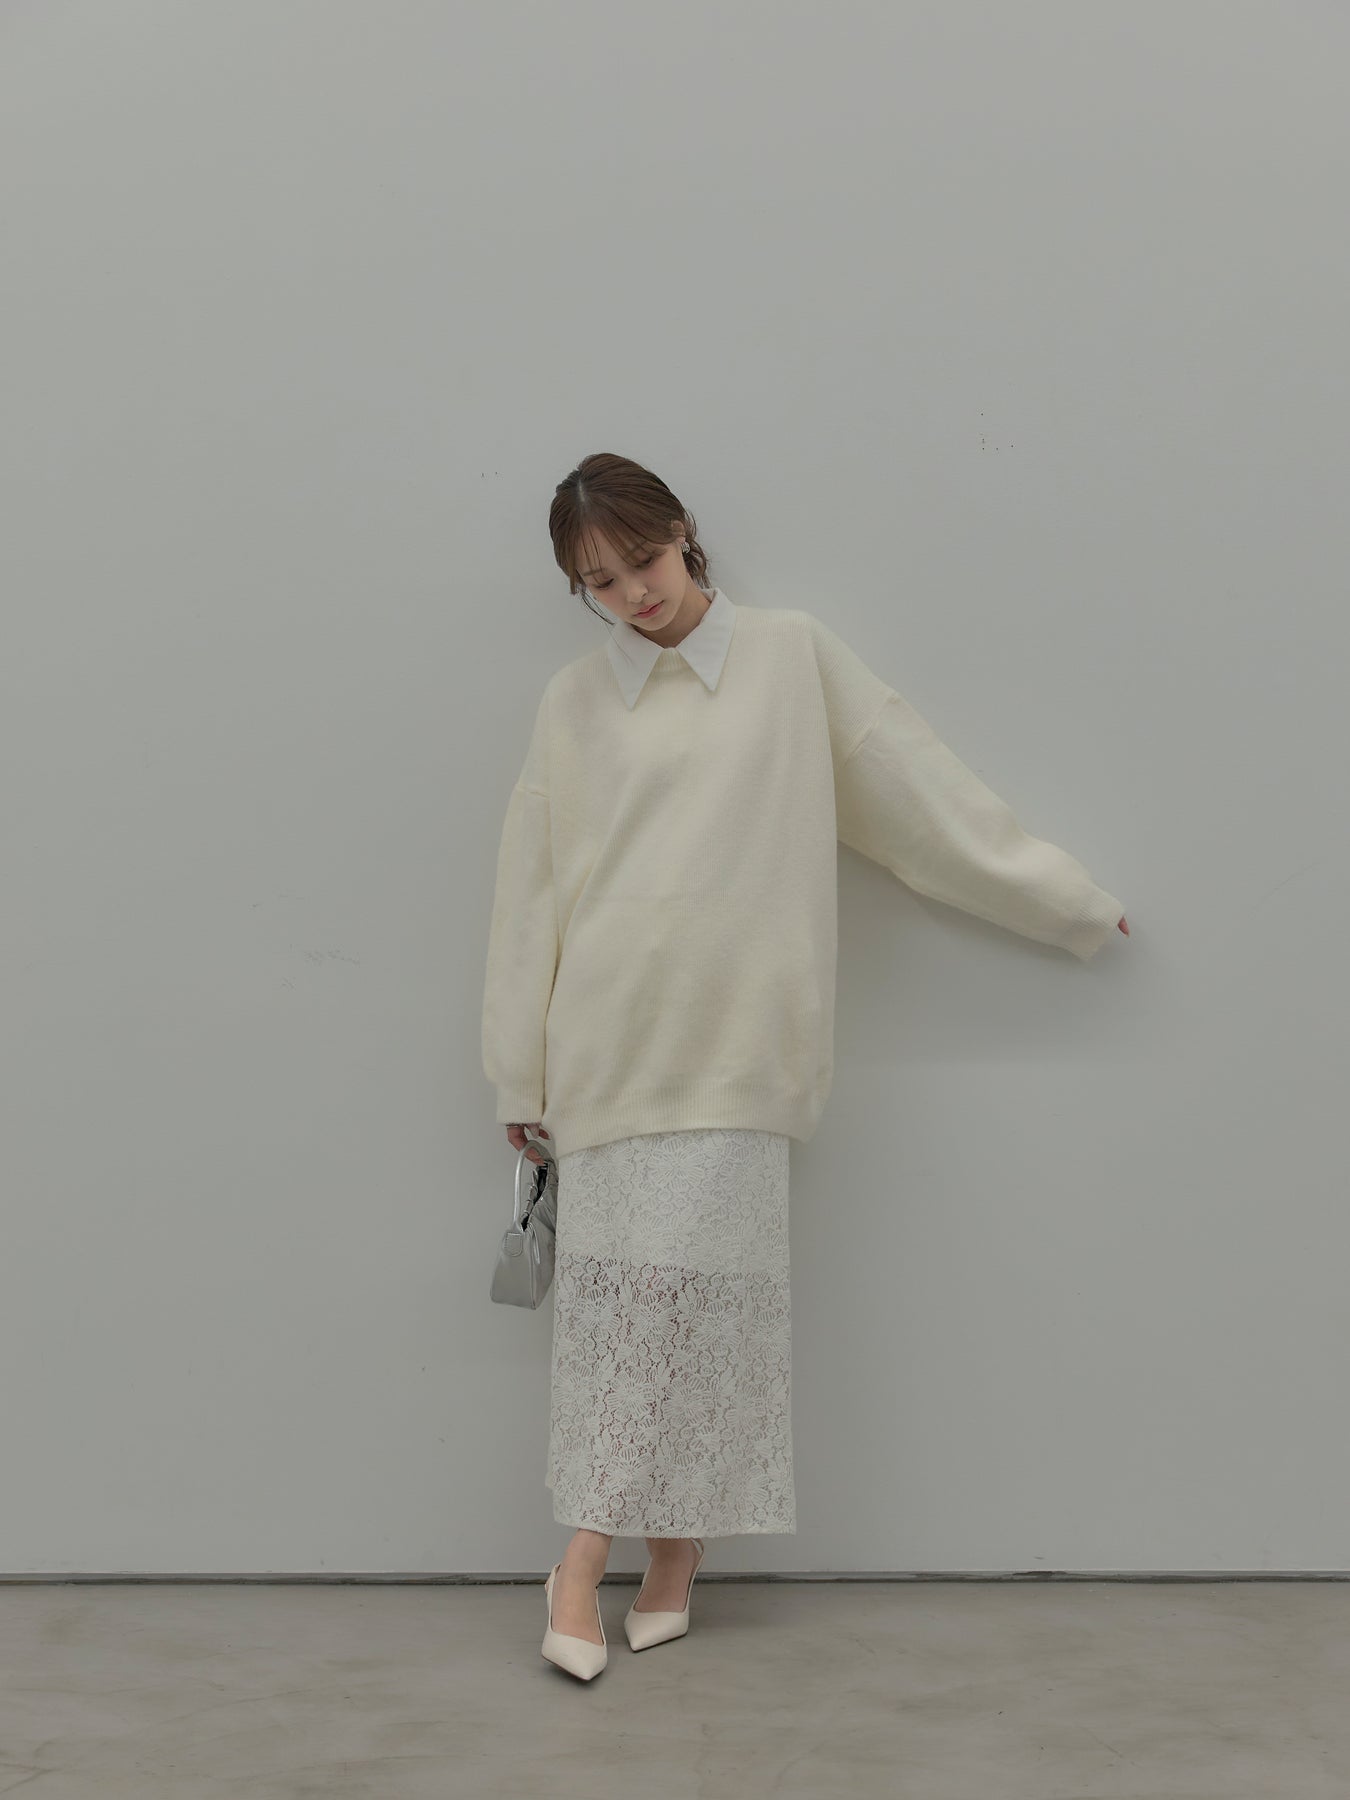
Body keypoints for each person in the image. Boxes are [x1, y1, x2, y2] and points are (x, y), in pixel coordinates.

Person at [482, 451, 1128, 1679]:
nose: (633, 596)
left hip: (743, 1045)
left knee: (697, 1310)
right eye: (600, 584)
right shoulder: (574, 702)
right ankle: (632, 1554)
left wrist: (1064, 902)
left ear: (684, 532)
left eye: (643, 562)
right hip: (606, 1050)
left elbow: (918, 797)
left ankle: (616, 1555)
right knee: (632, 1313)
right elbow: (531, 890)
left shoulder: (790, 657)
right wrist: (520, 1071)